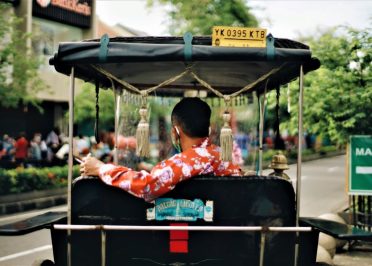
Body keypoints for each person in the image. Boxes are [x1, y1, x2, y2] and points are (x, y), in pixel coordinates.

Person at [81, 98, 242, 202]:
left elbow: (146, 185)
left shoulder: (186, 163)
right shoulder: (223, 156)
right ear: (208, 129)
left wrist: (101, 168)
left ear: (176, 131)